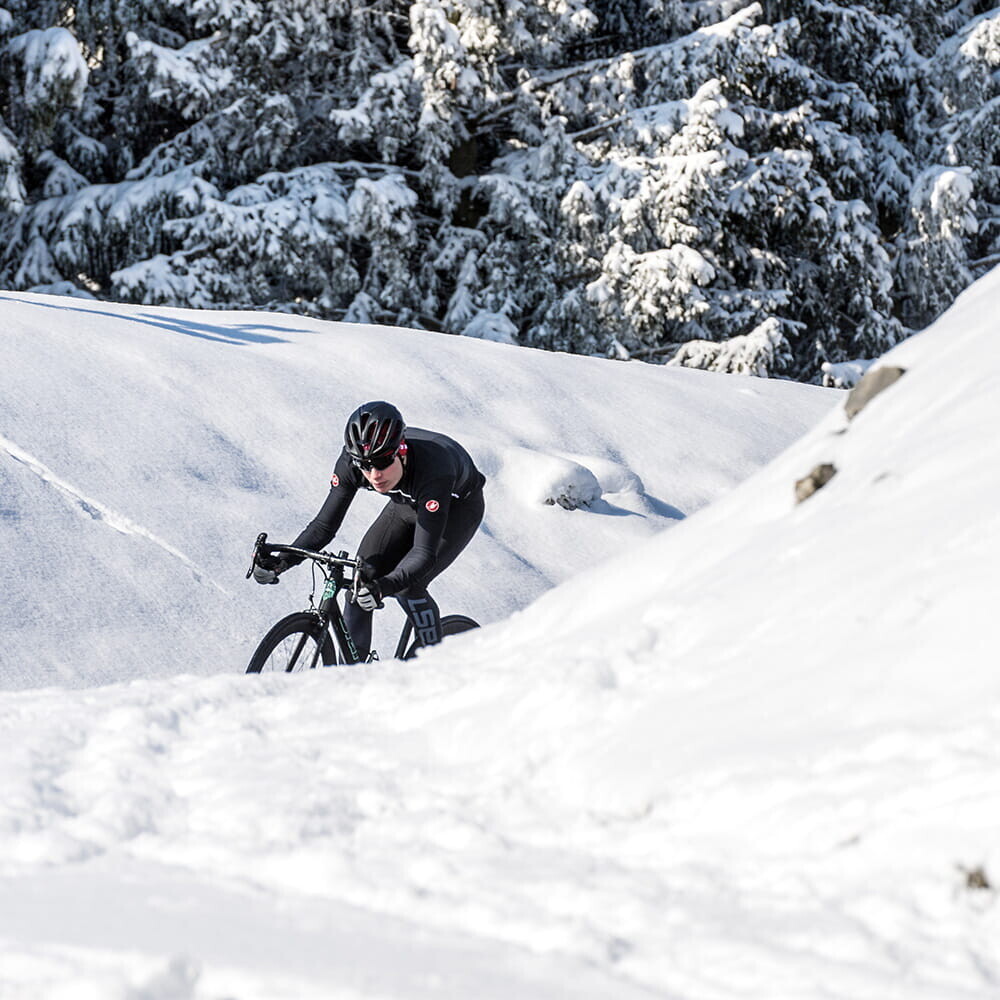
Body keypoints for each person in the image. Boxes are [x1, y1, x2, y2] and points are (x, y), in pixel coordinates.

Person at [254, 401, 486, 659]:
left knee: (409, 586)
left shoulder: (434, 470)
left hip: (456, 508)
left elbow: (423, 553)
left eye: (382, 462)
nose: (374, 475)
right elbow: (324, 526)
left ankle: (433, 660)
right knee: (361, 581)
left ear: (401, 451)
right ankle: (355, 673)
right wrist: (283, 562)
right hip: (405, 503)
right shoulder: (352, 463)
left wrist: (383, 587)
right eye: (365, 466)